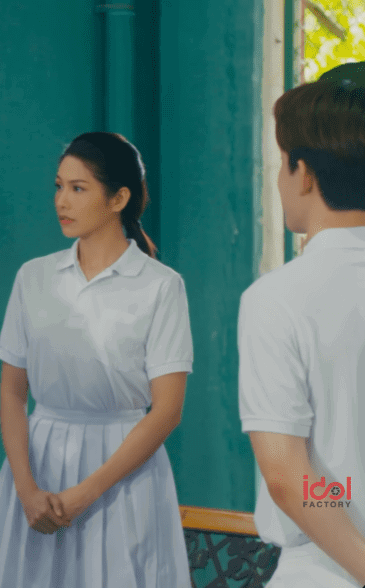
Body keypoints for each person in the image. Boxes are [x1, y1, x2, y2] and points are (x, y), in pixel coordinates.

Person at [0, 132, 193, 587]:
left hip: (123, 475)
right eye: (58, 186)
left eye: (78, 188)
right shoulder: (33, 277)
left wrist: (84, 494)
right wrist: (28, 490)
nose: (61, 201)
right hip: (37, 470)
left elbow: (166, 410)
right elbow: (12, 394)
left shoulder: (160, 286)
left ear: (119, 198)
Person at [238, 65, 365, 587]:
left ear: (304, 173)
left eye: (282, 163)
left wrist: (342, 495)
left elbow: (291, 478)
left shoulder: (278, 298)